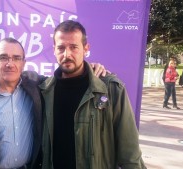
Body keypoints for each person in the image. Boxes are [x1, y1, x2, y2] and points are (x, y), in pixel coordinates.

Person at [0, 37, 107, 169]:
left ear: (23, 63)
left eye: (16, 58)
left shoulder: (36, 84)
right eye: (4, 57)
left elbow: (65, 79)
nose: (10, 64)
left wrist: (88, 69)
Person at [40, 20, 146, 169]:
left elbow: (130, 152)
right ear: (54, 50)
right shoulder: (44, 90)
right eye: (61, 48)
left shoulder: (110, 89)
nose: (67, 54)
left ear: (86, 48)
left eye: (74, 47)